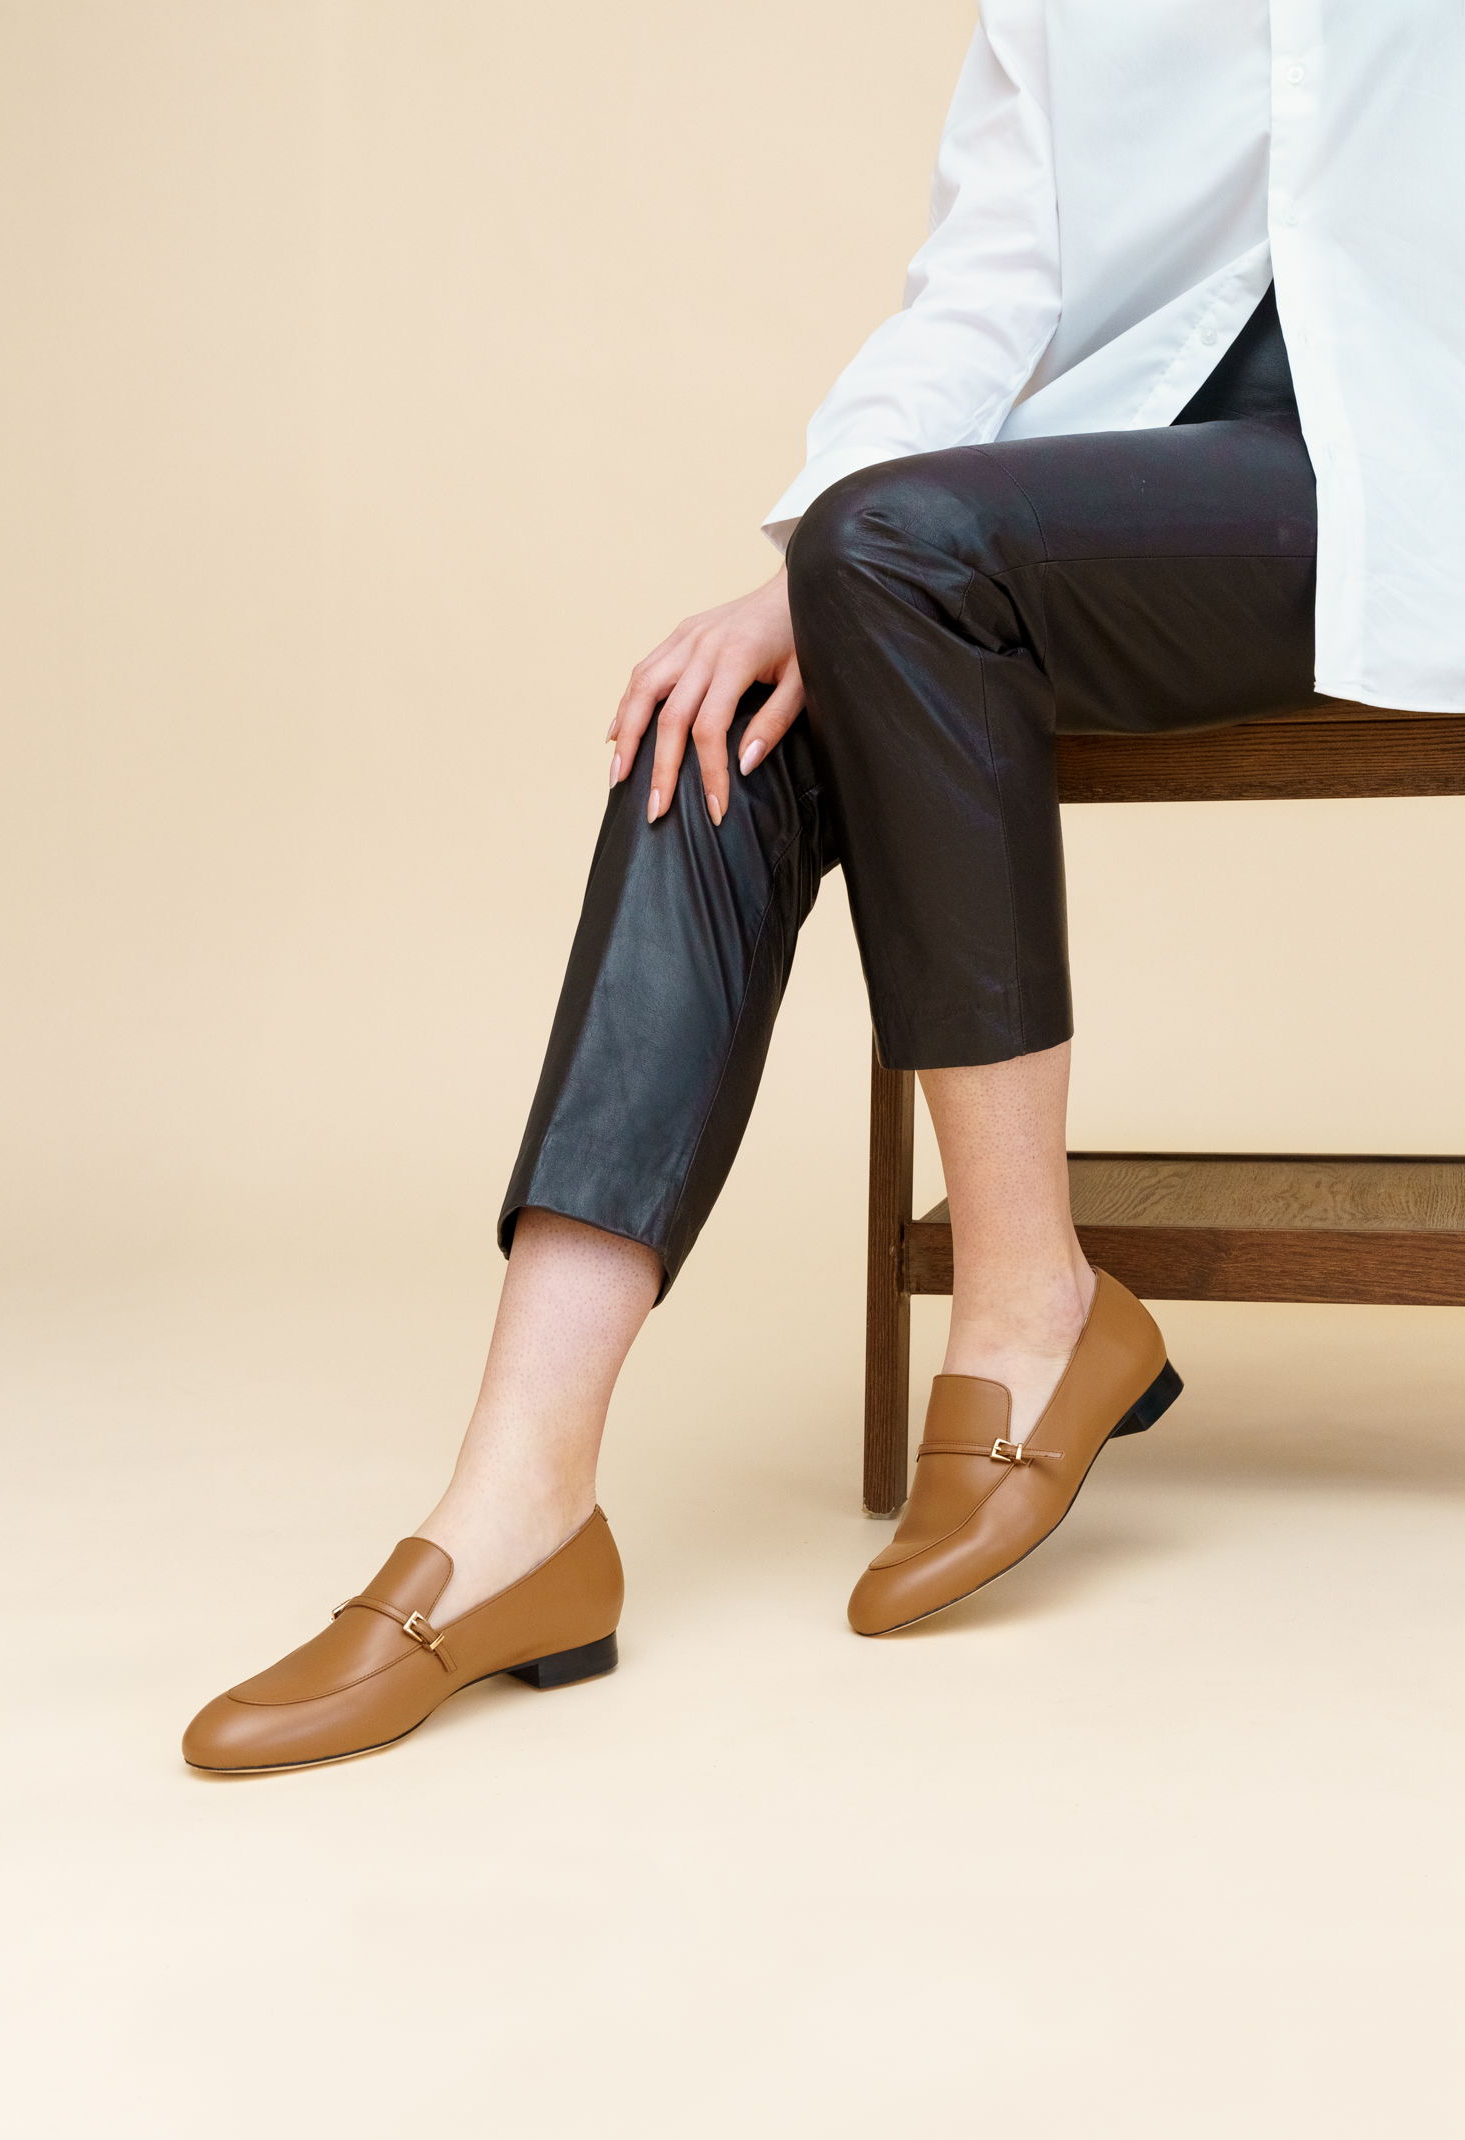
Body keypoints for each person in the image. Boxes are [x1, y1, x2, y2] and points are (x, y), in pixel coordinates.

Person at [182, 1, 1464, 1772]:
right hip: (1102, 492)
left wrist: (872, 556)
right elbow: (995, 281)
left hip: (1414, 478)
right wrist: (806, 566)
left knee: (886, 566)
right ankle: (518, 1502)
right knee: (728, 717)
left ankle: (1030, 1302)